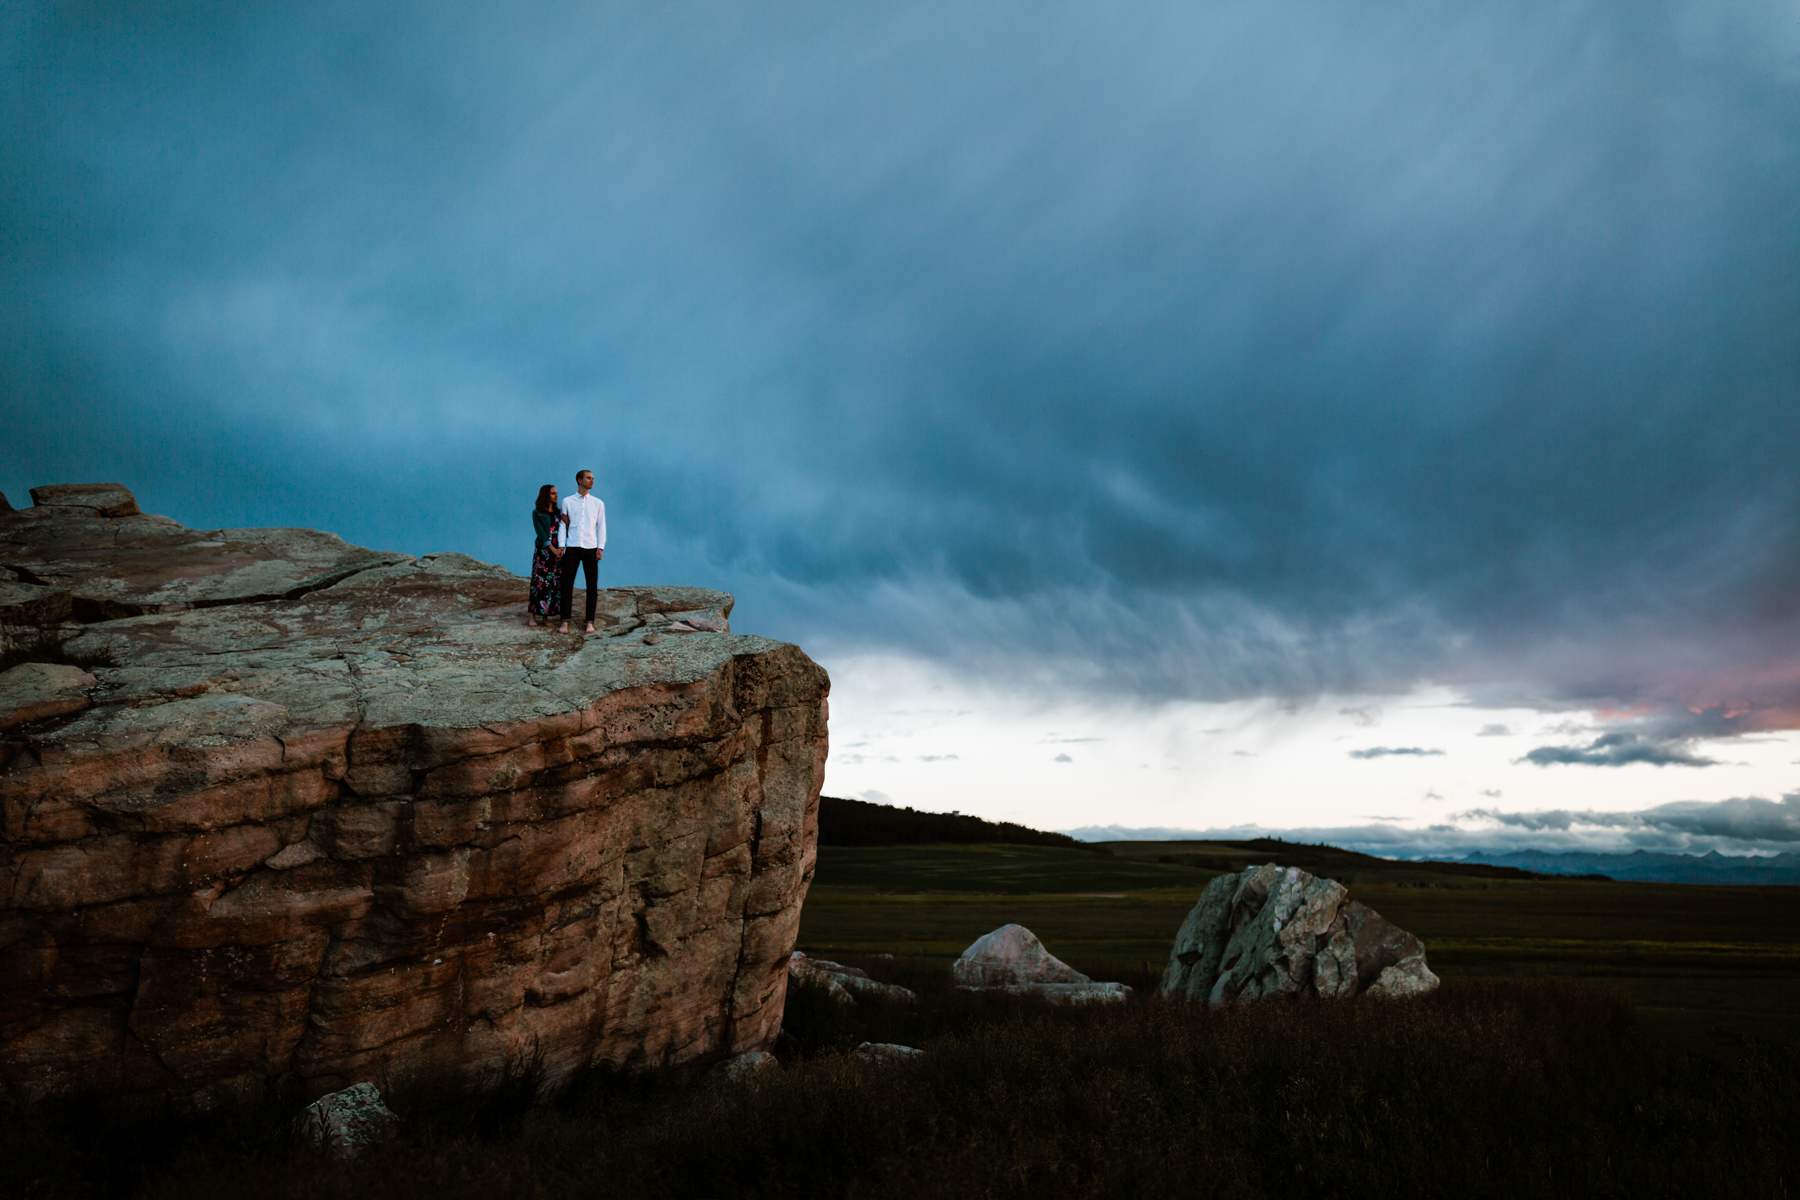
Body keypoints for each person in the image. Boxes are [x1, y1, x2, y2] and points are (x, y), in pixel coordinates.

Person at [558, 467, 606, 635]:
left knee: (592, 586)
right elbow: (563, 525)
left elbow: (601, 526)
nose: (592, 480)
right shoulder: (567, 501)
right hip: (572, 547)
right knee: (567, 584)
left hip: (591, 547)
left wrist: (601, 547)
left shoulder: (598, 503)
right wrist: (561, 545)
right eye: (588, 478)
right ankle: (564, 621)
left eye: (592, 478)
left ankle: (589, 622)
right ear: (579, 480)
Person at [526, 483, 566, 627]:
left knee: (553, 584)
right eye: (553, 493)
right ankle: (532, 615)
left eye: (556, 493)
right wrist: (552, 549)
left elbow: (564, 528)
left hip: (557, 552)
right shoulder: (537, 513)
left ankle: (546, 616)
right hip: (543, 553)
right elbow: (541, 534)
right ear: (546, 495)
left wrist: (561, 548)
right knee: (539, 583)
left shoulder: (558, 512)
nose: (556, 496)